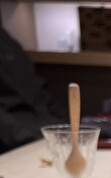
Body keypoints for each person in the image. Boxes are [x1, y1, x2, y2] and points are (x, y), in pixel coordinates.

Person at [0, 25, 66, 154]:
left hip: (44, 133)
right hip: (17, 143)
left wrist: (64, 127)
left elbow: (39, 91)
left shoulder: (9, 43)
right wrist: (36, 137)